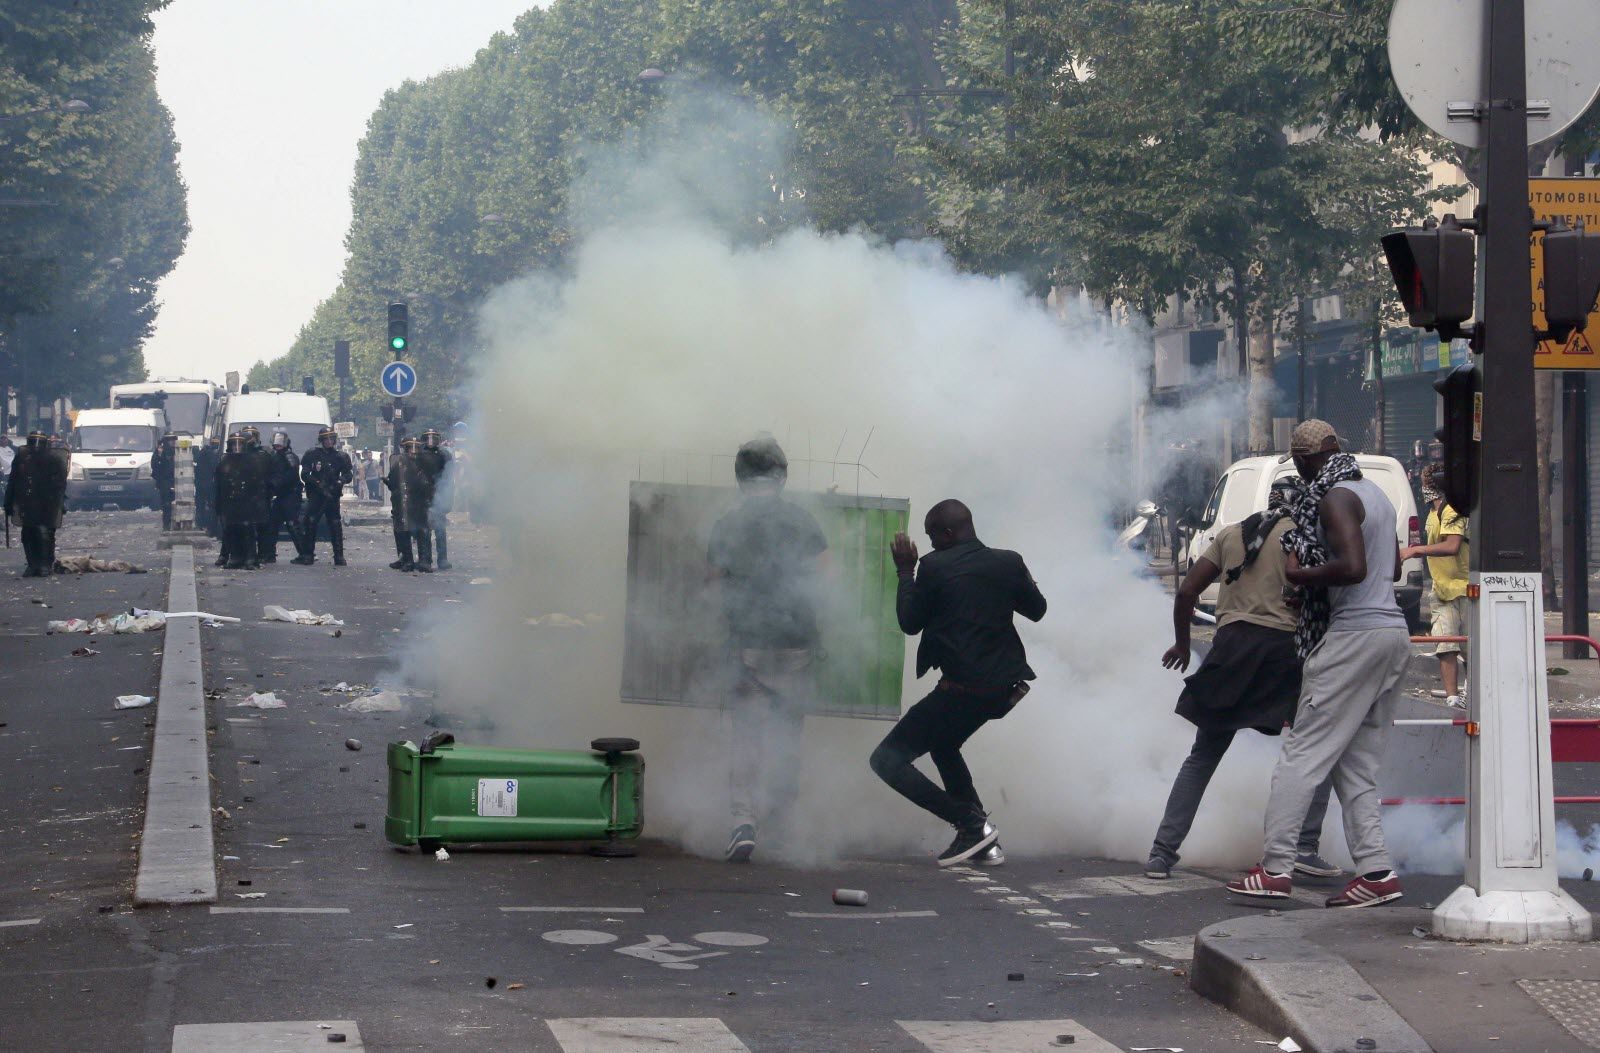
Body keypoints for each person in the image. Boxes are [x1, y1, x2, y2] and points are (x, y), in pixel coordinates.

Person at [1228, 420, 1411, 909]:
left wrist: (1299, 573)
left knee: (1301, 756)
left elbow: (1354, 568)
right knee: (1356, 766)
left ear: (1308, 461)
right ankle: (1376, 872)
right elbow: (1391, 567)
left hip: (1353, 636)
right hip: (1392, 632)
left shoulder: (1333, 498)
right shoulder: (1376, 494)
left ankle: (1275, 868)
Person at [1147, 479, 1339, 881]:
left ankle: (1162, 853)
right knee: (1314, 749)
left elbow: (1186, 593)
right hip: (1285, 653)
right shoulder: (1303, 538)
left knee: (1202, 757)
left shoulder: (1232, 534)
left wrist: (1183, 645)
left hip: (1231, 649)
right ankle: (1303, 845)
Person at [871, 499, 1046, 867]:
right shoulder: (1008, 562)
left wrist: (905, 572)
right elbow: (1037, 609)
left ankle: (970, 823)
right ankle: (984, 842)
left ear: (948, 533)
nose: (930, 546)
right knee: (944, 745)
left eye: (933, 537)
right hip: (1002, 691)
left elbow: (909, 622)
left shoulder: (932, 567)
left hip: (963, 692)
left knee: (887, 760)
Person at [707, 436, 829, 862]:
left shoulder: (728, 523)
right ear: (781, 476)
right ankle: (782, 825)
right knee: (788, 735)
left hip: (748, 646)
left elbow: (712, 581)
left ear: (741, 478)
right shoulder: (802, 520)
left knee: (747, 736)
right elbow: (823, 578)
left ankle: (745, 822)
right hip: (797, 646)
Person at [1400, 464, 1469, 708]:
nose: (1423, 489)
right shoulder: (1432, 513)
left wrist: (1415, 550)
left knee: (1471, 648)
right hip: (1442, 590)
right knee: (1446, 646)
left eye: (1425, 484)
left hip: (1464, 589)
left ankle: (1471, 694)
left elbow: (1452, 546)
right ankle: (1452, 698)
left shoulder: (1451, 511)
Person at [4, 430, 69, 576]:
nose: (36, 446)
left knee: (45, 533)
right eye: (33, 442)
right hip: (27, 502)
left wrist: (60, 502)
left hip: (48, 503)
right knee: (28, 533)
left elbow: (60, 484)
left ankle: (45, 564)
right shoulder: (22, 459)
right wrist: (8, 503)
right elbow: (13, 482)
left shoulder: (54, 459)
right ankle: (33, 564)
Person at [296, 427, 351, 566]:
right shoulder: (312, 454)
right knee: (310, 522)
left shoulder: (341, 456)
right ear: (321, 440)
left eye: (331, 438)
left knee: (335, 523)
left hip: (333, 494)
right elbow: (305, 474)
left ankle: (339, 556)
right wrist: (317, 483)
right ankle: (308, 555)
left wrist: (340, 481)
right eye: (326, 439)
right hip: (316, 494)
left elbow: (348, 474)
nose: (329, 441)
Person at [214, 432, 266, 570]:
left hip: (247, 501)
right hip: (230, 501)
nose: (237, 448)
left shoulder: (252, 460)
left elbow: (259, 483)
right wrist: (219, 505)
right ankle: (235, 557)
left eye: (239, 444)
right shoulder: (225, 461)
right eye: (234, 444)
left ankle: (250, 558)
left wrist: (256, 501)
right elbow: (219, 485)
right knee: (232, 529)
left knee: (247, 529)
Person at [385, 436, 434, 571]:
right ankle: (407, 560)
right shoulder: (399, 463)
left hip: (420, 501)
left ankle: (424, 560)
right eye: (410, 448)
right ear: (405, 449)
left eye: (416, 448)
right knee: (403, 530)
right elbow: (394, 482)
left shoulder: (424, 463)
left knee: (422, 530)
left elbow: (431, 482)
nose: (413, 451)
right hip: (403, 502)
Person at [416, 428, 454, 570]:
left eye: (434, 437)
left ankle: (442, 559)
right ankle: (426, 559)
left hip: (439, 493)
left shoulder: (444, 455)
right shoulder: (418, 454)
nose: (431, 440)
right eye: (428, 437)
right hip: (423, 493)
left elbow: (448, 477)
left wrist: (446, 497)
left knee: (440, 528)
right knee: (425, 529)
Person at [264, 431, 305, 564]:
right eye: (277, 442)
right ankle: (269, 554)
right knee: (272, 523)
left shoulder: (290, 457)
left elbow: (291, 475)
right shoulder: (274, 456)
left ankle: (304, 554)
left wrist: (275, 483)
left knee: (292, 523)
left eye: (281, 442)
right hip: (281, 495)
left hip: (291, 494)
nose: (278, 444)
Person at [195, 435, 221, 536]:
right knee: (212, 507)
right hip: (210, 484)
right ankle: (211, 529)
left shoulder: (203, 452)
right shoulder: (214, 455)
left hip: (201, 483)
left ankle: (201, 525)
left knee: (201, 506)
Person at [151, 432, 177, 530]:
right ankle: (166, 524)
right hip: (165, 482)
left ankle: (174, 524)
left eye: (174, 440)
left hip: (175, 481)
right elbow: (155, 466)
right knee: (166, 505)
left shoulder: (176, 451)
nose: (173, 442)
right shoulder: (160, 451)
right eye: (170, 440)